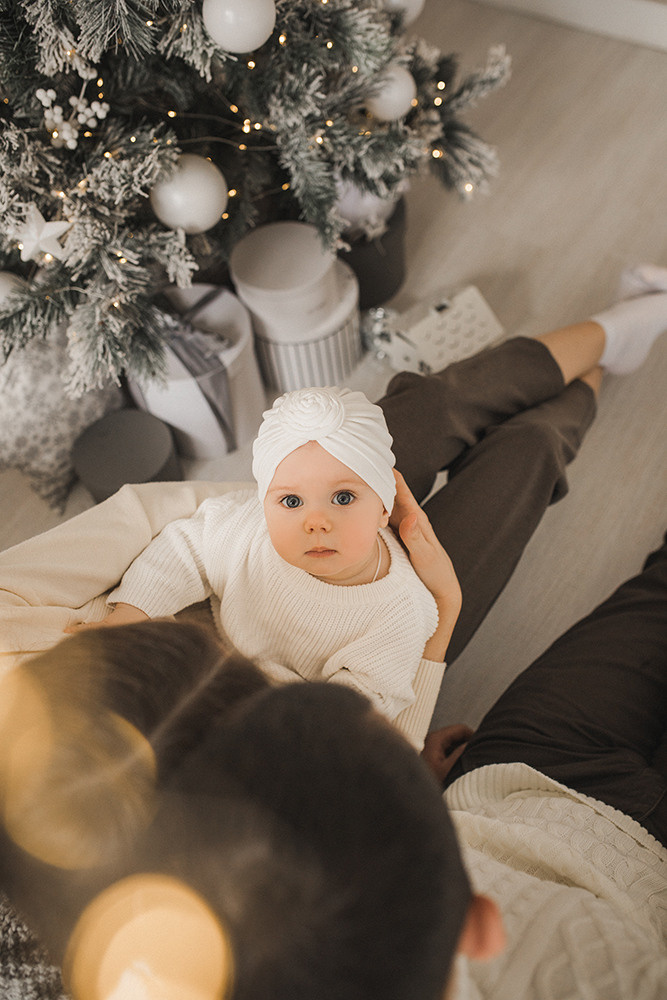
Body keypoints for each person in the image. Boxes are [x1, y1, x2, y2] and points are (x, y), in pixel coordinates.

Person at [70, 385, 462, 745]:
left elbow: (348, 715)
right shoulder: (249, 529)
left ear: (385, 508)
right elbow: (185, 548)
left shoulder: (400, 615)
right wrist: (132, 613)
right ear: (264, 505)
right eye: (291, 502)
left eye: (342, 498)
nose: (316, 522)